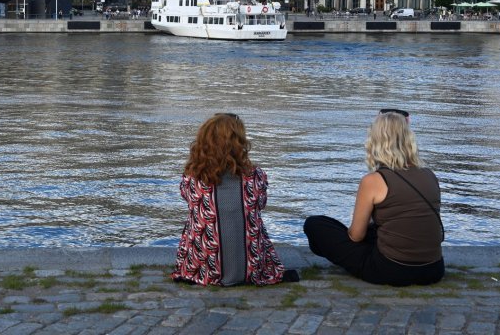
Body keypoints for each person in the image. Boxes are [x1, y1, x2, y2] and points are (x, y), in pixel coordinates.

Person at [303, 111, 444, 286]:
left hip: (391, 269)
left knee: (315, 225)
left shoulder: (373, 181)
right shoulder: (429, 175)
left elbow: (355, 236)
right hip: (434, 269)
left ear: (376, 141)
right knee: (375, 230)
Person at [172, 113, 297, 286]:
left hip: (204, 268)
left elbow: (188, 199)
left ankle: (204, 265)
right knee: (253, 221)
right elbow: (261, 205)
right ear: (239, 143)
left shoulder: (192, 177)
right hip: (249, 269)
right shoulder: (256, 176)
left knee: (195, 218)